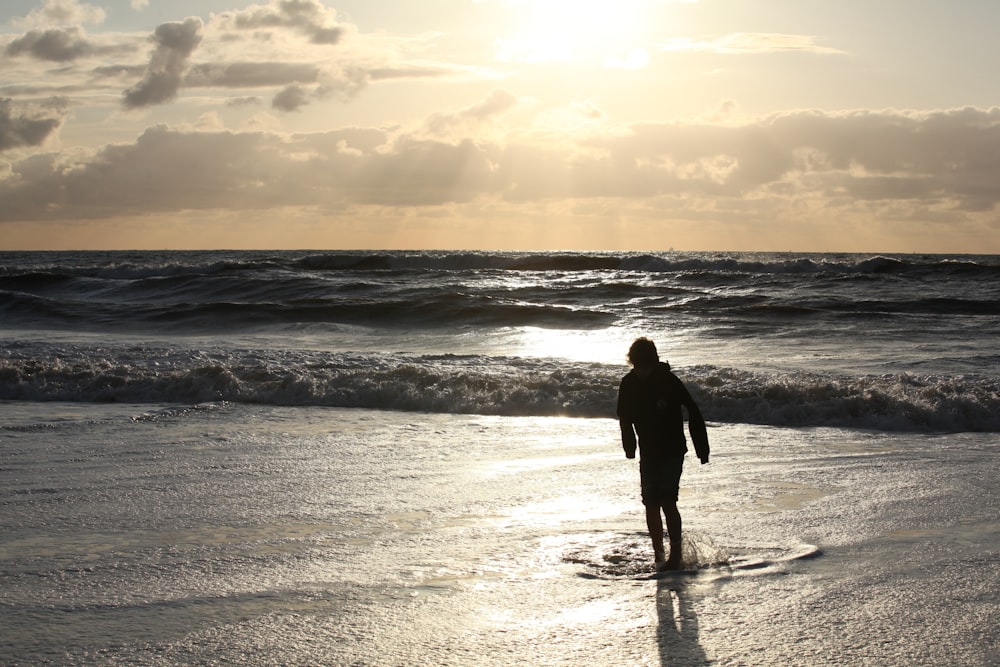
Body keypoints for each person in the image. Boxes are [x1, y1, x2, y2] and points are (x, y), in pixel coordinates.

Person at [617, 337, 709, 571]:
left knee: (668, 501)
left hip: (672, 450)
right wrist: (630, 448)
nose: (642, 372)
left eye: (645, 367)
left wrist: (702, 449)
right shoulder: (628, 383)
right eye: (638, 367)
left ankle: (675, 556)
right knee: (650, 503)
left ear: (653, 361)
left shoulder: (668, 380)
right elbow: (624, 419)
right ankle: (658, 554)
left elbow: (693, 410)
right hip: (648, 452)